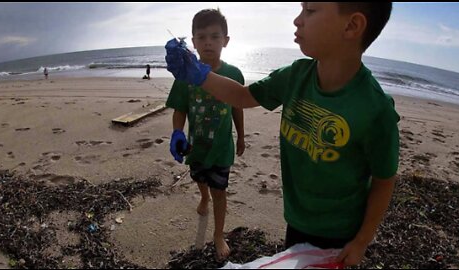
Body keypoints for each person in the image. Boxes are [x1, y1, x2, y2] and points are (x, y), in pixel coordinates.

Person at [165, 3, 399, 267]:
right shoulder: (296, 75)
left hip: (340, 232)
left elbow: (384, 180)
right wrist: (197, 75)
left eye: (310, 10)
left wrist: (362, 241)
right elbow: (243, 96)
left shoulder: (375, 110)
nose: (297, 21)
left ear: (352, 26)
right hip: (296, 218)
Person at [165, 8, 246, 260]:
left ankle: (218, 234)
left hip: (221, 148)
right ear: (193, 42)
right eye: (201, 37)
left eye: (214, 36)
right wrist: (177, 131)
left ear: (226, 40)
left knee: (220, 191)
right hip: (195, 145)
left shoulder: (233, 74)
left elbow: (238, 106)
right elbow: (180, 108)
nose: (208, 42)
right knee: (198, 177)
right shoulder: (185, 76)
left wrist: (241, 136)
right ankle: (203, 197)